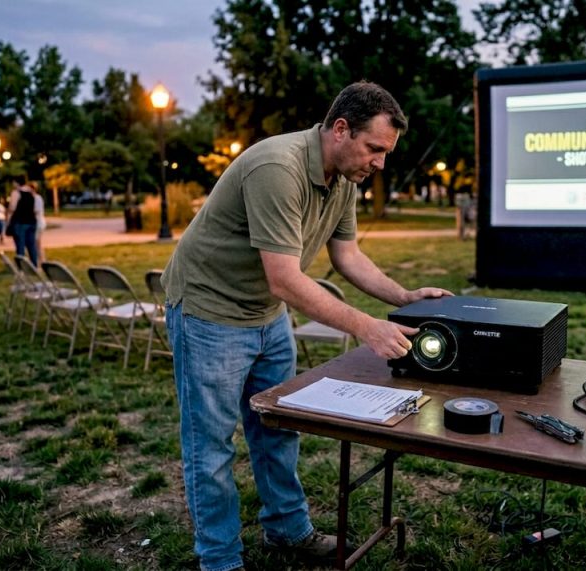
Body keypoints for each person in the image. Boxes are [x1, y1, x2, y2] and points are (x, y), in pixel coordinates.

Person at [161, 81, 452, 571]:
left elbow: (348, 256)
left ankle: (288, 532)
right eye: (374, 149)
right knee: (210, 446)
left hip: (266, 318)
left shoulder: (343, 178)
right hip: (208, 313)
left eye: (386, 152)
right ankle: (220, 559)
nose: (380, 163)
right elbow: (287, 280)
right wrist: (366, 327)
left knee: (278, 429)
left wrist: (403, 298)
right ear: (340, 129)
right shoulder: (279, 168)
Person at [6, 175, 41, 265]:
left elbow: (12, 208)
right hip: (31, 221)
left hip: (20, 222)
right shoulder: (31, 192)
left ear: (16, 182)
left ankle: (21, 266)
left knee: (20, 245)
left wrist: (8, 219)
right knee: (31, 245)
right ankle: (34, 264)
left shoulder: (16, 193)